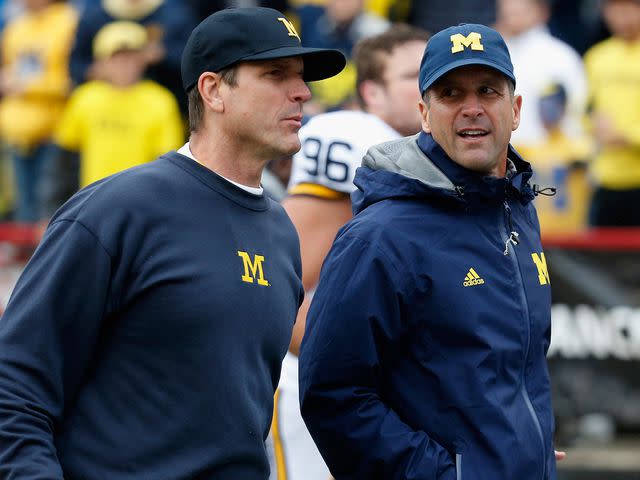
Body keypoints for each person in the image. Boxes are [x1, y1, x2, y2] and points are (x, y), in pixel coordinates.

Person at [0, 7, 345, 479]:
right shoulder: (118, 210)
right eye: (275, 74)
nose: (302, 92)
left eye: (302, 77)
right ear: (212, 90)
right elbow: (16, 384)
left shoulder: (280, 232)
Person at [299, 23, 564, 479]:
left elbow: (507, 373)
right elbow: (334, 395)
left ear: (516, 109)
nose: (472, 108)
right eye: (451, 94)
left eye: (487, 90)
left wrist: (524, 447)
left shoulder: (517, 209)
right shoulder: (381, 235)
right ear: (424, 113)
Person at [269, 23, 429, 480]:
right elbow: (284, 285)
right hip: (323, 382)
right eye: (411, 75)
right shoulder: (355, 136)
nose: (431, 85)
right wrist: (344, 370)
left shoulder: (438, 154)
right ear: (372, 93)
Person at [51, 20, 184, 194]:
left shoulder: (160, 101)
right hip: (91, 198)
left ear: (144, 60)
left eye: (131, 57)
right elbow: (64, 162)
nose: (124, 65)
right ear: (101, 62)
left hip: (142, 199)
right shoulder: (85, 98)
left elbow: (168, 163)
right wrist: (54, 206)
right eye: (116, 58)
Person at [0, 0, 77, 221]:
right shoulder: (16, 25)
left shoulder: (68, 21)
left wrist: (29, 88)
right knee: (23, 207)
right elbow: (9, 70)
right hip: (17, 133)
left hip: (53, 131)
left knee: (50, 207)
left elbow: (69, 80)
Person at [494, 0, 588, 151]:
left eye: (521, 8)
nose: (512, 12)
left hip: (549, 158)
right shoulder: (493, 52)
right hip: (501, 154)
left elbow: (576, 110)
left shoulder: (560, 55)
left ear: (542, 11)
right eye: (507, 6)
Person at [584, 0, 640, 226]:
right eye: (613, 9)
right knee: (604, 257)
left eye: (628, 8)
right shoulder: (596, 58)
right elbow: (585, 110)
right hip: (606, 179)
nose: (620, 16)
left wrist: (626, 136)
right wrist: (593, 125)